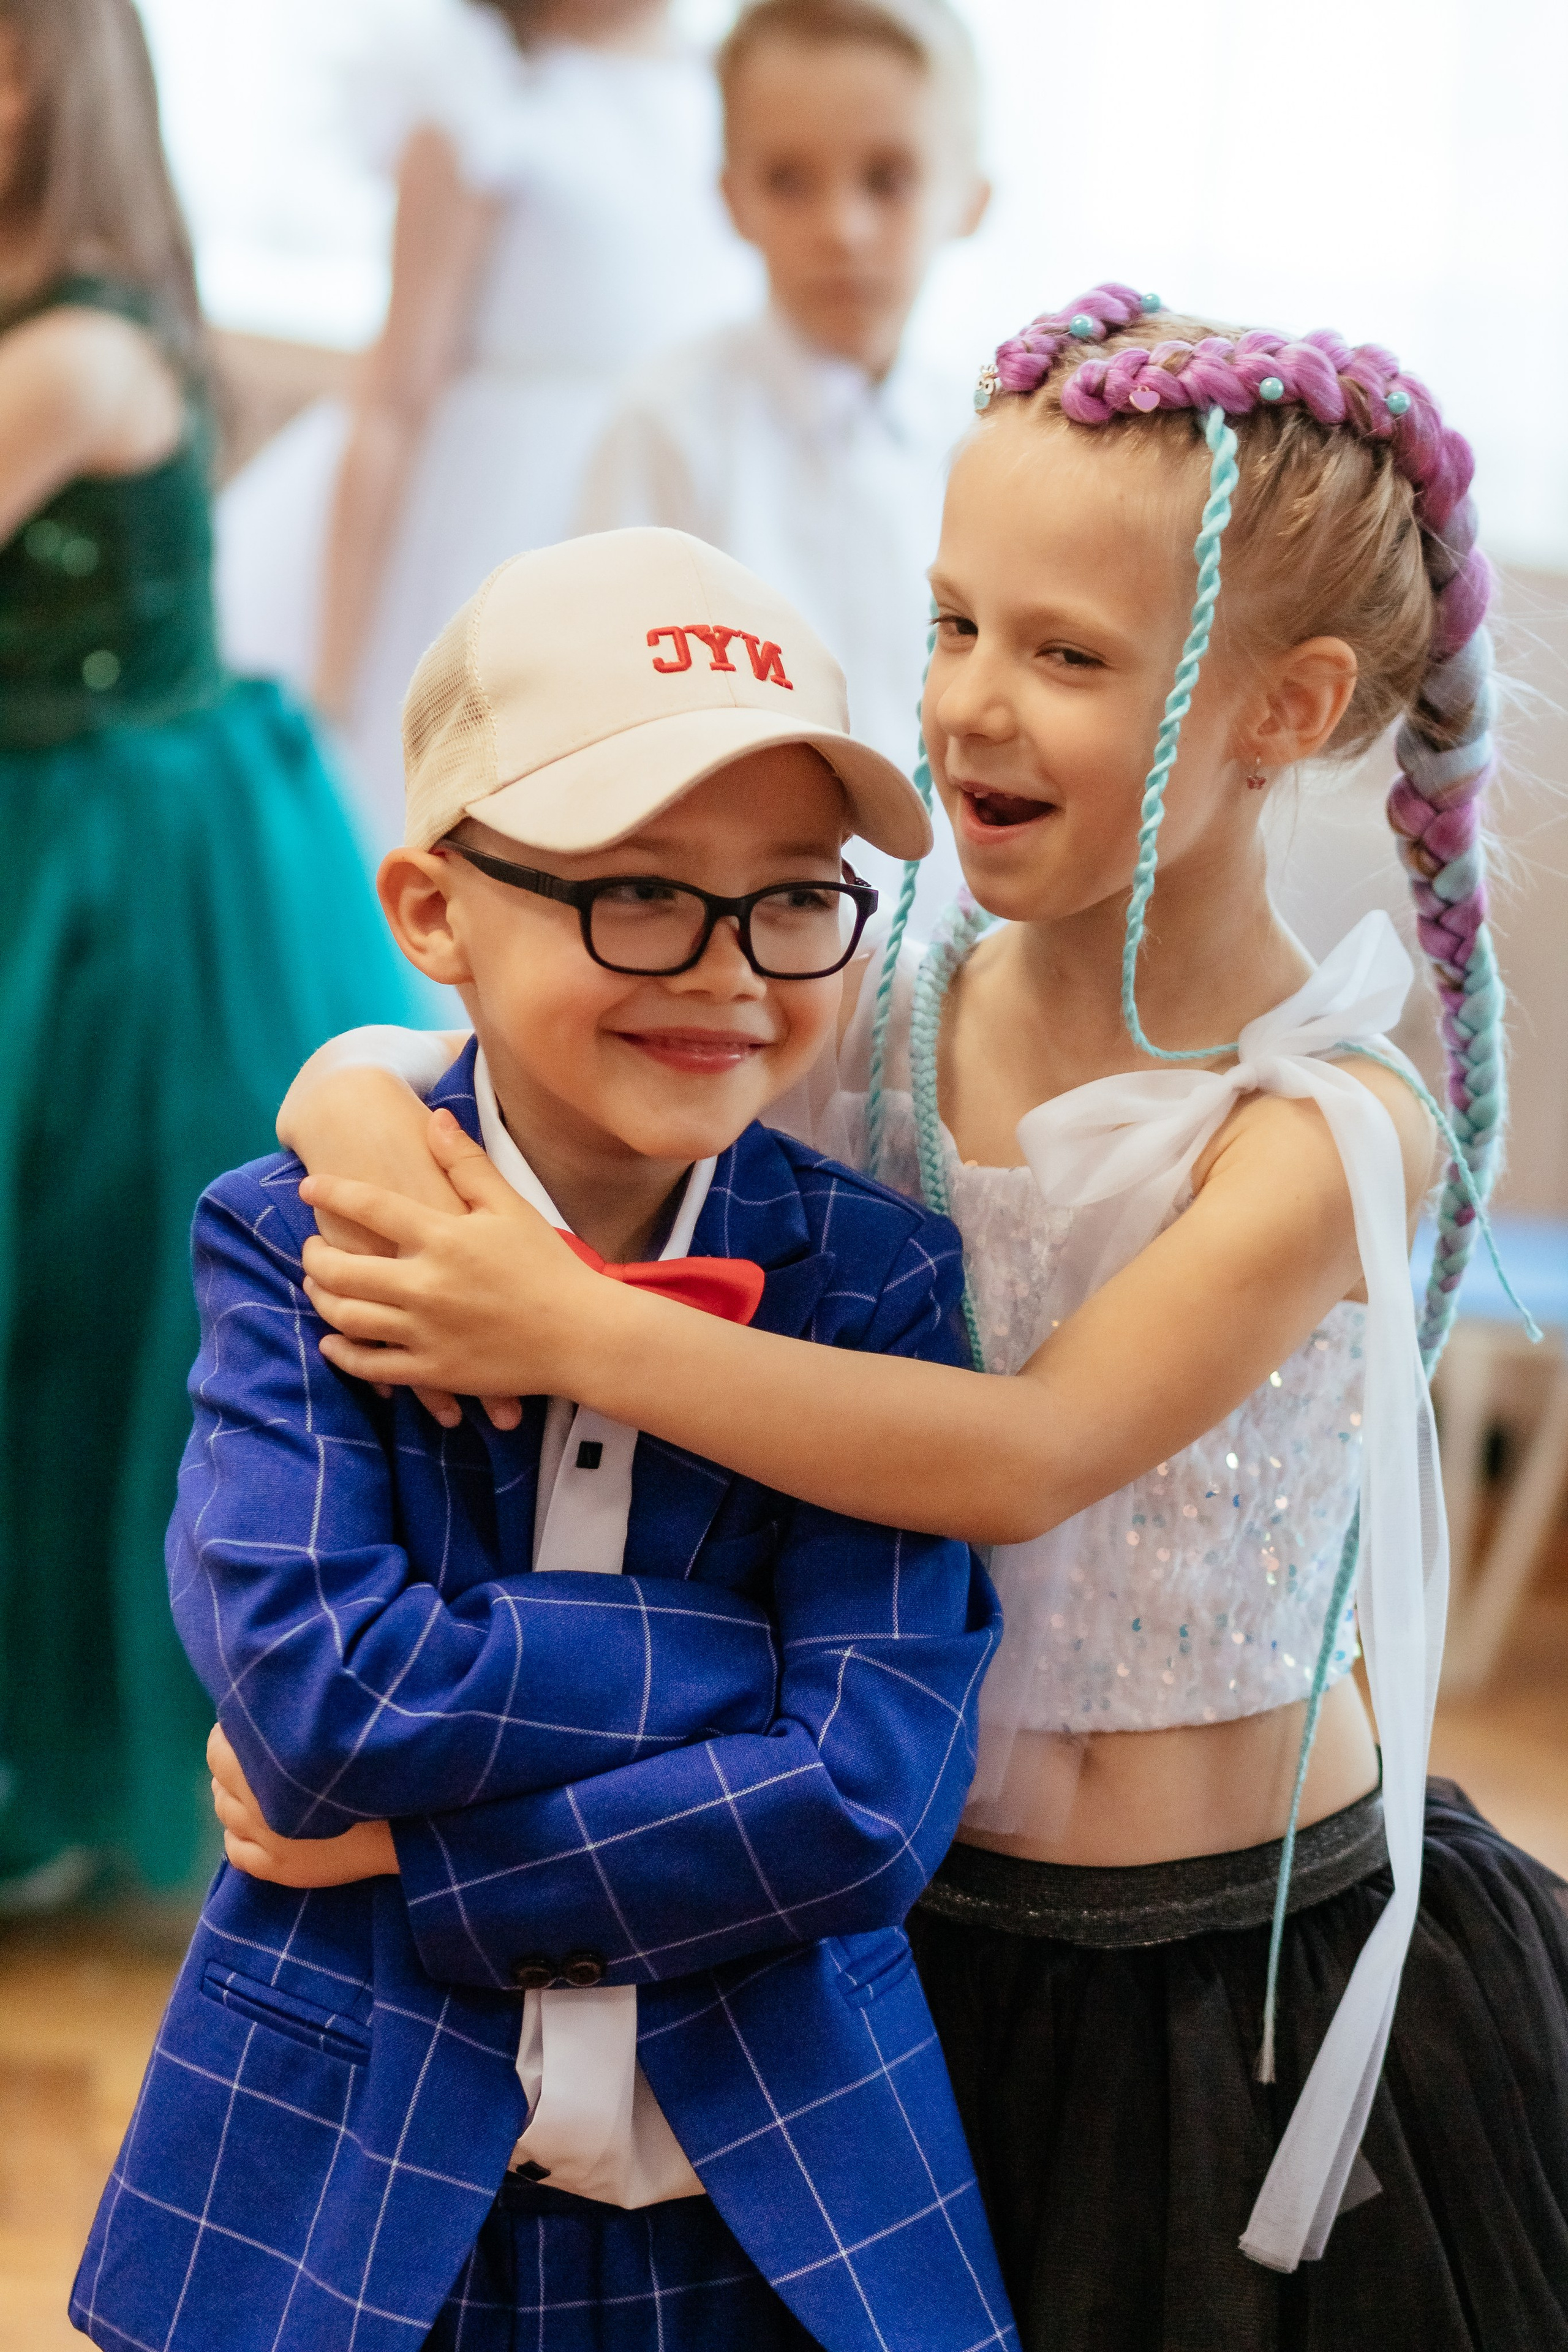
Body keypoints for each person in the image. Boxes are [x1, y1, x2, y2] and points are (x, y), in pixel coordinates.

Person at [276, 290, 1568, 2344]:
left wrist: (570, 1329)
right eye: (956, 622)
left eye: (1067, 653)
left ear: (1284, 709)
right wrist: (346, 1097)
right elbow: (439, 1067)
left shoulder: (1333, 1127)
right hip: (871, 1932)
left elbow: (1031, 1451)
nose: (970, 704)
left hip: (1224, 1978)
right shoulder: (860, 1009)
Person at [72, 529, 1017, 2352]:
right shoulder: (299, 1241)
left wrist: (439, 1863)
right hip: (344, 2194)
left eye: (794, 898)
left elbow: (866, 1799)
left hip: (772, 2212)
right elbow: (325, 1695)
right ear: (434, 914)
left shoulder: (880, 1282)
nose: (730, 974)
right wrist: (733, 1668)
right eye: (641, 893)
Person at [0, 0, 421, 1912]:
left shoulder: (75, 350)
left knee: (86, 1321)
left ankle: (75, 1772)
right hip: (68, 837)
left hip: (107, 882)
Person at [217, 0, 758, 853]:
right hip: (485, 527)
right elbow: (397, 393)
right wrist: (335, 680)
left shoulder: (727, 84)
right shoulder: (486, 86)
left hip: (663, 512)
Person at [577, 0, 988, 935]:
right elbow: (618, 708)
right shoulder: (669, 425)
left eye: (888, 179)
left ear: (971, 198)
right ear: (732, 198)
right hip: (738, 925)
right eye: (790, 179)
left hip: (950, 925)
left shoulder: (990, 437)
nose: (841, 227)